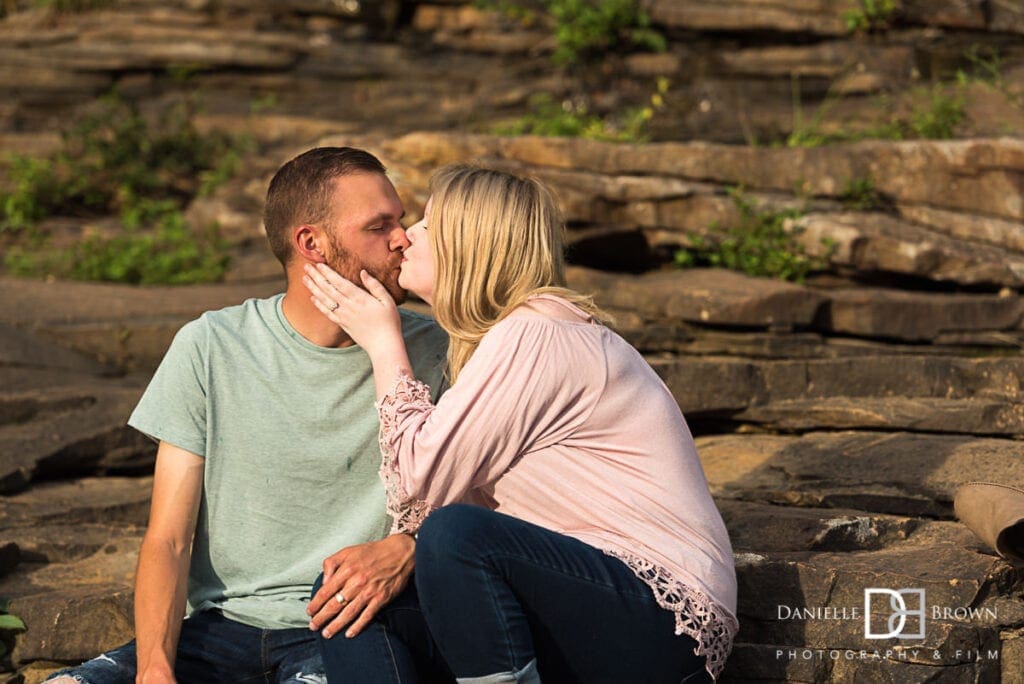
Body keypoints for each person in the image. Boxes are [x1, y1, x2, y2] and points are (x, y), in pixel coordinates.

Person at [303, 164, 738, 682]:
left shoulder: (540, 329)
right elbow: (446, 495)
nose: (404, 239)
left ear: (473, 245)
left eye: (427, 225)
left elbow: (422, 477)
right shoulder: (506, 339)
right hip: (577, 605)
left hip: (658, 620)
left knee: (456, 535)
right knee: (347, 596)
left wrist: (383, 342)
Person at [47, 147, 448, 683]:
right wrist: (155, 670)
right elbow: (168, 539)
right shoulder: (211, 345)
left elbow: (486, 503)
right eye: (380, 226)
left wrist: (411, 546)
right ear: (312, 243)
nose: (403, 239)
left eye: (399, 221)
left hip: (341, 632)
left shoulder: (438, 353)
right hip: (216, 632)